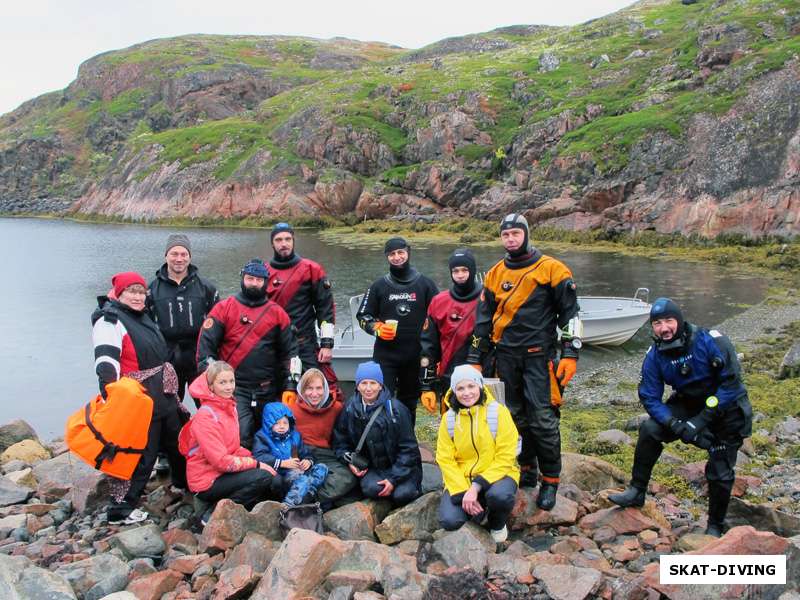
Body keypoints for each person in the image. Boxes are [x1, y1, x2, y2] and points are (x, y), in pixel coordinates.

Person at [608, 298, 753, 537]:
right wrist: (674, 423)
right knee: (650, 430)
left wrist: (700, 421)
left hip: (724, 408)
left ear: (679, 320)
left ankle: (715, 525)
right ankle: (636, 491)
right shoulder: (655, 354)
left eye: (668, 321)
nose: (663, 328)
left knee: (719, 469)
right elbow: (649, 396)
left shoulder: (711, 341)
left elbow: (731, 386)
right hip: (688, 404)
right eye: (657, 323)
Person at [467, 213, 581, 511]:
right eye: (506, 235)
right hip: (503, 358)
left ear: (527, 235)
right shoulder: (493, 275)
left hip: (539, 359)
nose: (511, 239)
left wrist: (570, 353)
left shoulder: (552, 270)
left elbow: (571, 316)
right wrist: (475, 358)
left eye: (516, 234)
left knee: (543, 420)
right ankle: (526, 467)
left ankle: (551, 480)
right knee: (514, 418)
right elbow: (481, 323)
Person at [92, 271, 187, 524]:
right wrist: (110, 395)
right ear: (118, 293)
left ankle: (183, 484)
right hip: (136, 397)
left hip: (161, 392)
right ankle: (120, 508)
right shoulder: (109, 321)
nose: (136, 296)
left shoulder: (141, 316)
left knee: (178, 438)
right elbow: (105, 362)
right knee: (142, 450)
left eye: (140, 291)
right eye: (130, 291)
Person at [196, 258, 301, 449]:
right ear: (242, 278)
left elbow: (291, 354)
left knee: (274, 436)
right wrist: (215, 384)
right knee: (241, 435)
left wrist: (291, 385)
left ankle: (270, 475)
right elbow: (205, 351)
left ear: (266, 282)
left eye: (259, 280)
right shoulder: (223, 308)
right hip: (234, 389)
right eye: (250, 278)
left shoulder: (278, 314)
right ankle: (242, 475)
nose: (254, 283)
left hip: (268, 388)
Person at [179, 362, 283, 524]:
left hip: (223, 473)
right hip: (207, 481)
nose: (229, 387)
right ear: (211, 386)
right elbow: (220, 461)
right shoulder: (205, 417)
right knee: (262, 476)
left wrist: (260, 460)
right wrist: (255, 464)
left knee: (275, 477)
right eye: (222, 382)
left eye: (231, 381)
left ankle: (258, 514)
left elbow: (233, 448)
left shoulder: (230, 408)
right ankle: (213, 514)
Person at [357, 238, 438, 424]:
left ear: (408, 252)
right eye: (392, 254)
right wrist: (376, 327)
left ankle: (407, 441)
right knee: (381, 399)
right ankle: (383, 439)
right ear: (387, 257)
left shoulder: (425, 284)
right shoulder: (379, 286)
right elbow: (363, 316)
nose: (397, 257)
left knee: (409, 402)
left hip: (415, 355)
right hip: (386, 355)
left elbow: (438, 317)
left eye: (400, 252)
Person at [436, 365, 520, 543]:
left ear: (480, 386)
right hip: (463, 479)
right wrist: (461, 491)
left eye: (471, 386)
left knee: (499, 497)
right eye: (460, 388)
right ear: (453, 391)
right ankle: (479, 514)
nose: (467, 393)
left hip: (498, 476)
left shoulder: (498, 412)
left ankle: (497, 523)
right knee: (449, 520)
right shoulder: (449, 419)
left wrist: (476, 487)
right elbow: (445, 458)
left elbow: (506, 455)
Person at [332, 361, 422, 506]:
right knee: (372, 489)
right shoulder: (349, 408)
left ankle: (402, 490)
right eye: (364, 383)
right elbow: (340, 442)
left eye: (373, 383)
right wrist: (350, 461)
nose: (368, 388)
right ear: (357, 386)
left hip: (401, 467)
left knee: (403, 495)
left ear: (380, 385)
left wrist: (393, 478)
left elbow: (409, 449)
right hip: (374, 468)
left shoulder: (397, 410)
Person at [266, 223, 339, 398]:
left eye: (287, 239)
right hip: (273, 345)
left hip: (304, 343)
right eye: (279, 240)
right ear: (272, 244)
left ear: (293, 241)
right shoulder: (264, 272)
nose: (284, 244)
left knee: (312, 390)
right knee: (275, 392)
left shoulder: (311, 269)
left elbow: (326, 308)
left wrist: (327, 344)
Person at [148, 233, 219, 406]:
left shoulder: (206, 288)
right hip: (167, 360)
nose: (179, 259)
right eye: (174, 254)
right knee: (170, 411)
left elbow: (219, 323)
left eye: (183, 254)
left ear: (189, 257)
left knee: (207, 407)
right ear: (166, 256)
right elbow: (144, 326)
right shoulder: (152, 290)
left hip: (199, 358)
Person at [419, 248, 489, 414]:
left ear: (472, 271)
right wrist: (426, 385)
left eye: (465, 270)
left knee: (485, 425)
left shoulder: (488, 298)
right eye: (455, 271)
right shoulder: (438, 301)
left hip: (483, 372)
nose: (460, 275)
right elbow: (428, 346)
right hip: (449, 375)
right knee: (451, 424)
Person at [285, 368, 358, 506]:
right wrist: (294, 458)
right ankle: (312, 497)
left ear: (325, 389)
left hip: (326, 455)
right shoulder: (291, 410)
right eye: (309, 388)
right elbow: (286, 438)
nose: (314, 393)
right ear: (301, 389)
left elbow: (343, 436)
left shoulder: (336, 408)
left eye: (319, 388)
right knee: (291, 477)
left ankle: (308, 498)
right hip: (302, 455)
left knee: (348, 477)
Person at [253, 403, 330, 505]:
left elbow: (306, 453)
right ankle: (288, 505)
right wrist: (282, 463)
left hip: (298, 471)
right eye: (276, 423)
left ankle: (308, 493)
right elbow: (259, 456)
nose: (282, 426)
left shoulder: (295, 436)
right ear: (268, 423)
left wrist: (307, 461)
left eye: (285, 423)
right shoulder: (262, 437)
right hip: (280, 474)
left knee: (322, 468)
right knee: (302, 480)